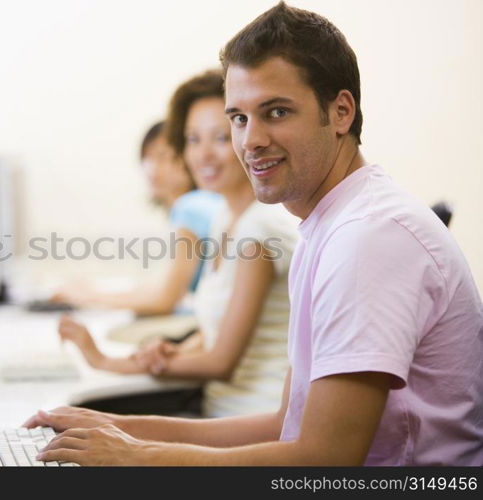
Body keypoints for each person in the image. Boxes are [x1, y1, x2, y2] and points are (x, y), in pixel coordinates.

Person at [25, 1, 483, 466]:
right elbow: (286, 425)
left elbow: (325, 460)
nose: (250, 140)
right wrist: (114, 428)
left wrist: (140, 457)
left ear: (341, 111)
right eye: (239, 118)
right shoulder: (327, 227)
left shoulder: (366, 238)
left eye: (277, 112)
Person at [58, 69, 299, 418]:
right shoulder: (225, 217)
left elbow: (221, 363)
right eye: (192, 139)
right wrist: (171, 353)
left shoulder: (258, 232)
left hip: (248, 425)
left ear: (246, 137)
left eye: (219, 137)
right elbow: (214, 335)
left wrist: (105, 360)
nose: (203, 155)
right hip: (218, 413)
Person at [52, 121, 221, 315]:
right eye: (147, 158)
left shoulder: (190, 208)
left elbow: (165, 299)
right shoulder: (202, 205)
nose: (152, 168)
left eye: (163, 156)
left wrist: (87, 297)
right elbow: (165, 289)